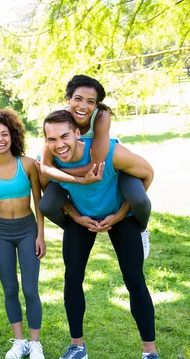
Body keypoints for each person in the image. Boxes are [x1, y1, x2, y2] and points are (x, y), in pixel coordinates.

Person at [41, 110, 161, 359]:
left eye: (64, 136)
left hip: (122, 216)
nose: (59, 144)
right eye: (51, 139)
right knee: (72, 278)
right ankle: (77, 345)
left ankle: (150, 353)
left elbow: (146, 174)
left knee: (134, 280)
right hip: (82, 217)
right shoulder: (49, 163)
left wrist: (120, 214)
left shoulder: (110, 152)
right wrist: (75, 216)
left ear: (78, 133)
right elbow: (49, 194)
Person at [38, 75, 152, 258]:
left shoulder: (101, 116)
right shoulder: (58, 121)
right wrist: (77, 181)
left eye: (90, 101)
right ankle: (76, 228)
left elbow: (95, 166)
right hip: (76, 160)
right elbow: (44, 167)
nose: (83, 106)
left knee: (139, 199)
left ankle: (142, 230)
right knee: (48, 204)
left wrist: (59, 172)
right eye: (78, 99)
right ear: (68, 100)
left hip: (110, 162)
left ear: (97, 105)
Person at [0, 109, 46, 359]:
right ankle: (19, 342)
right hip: (1, 232)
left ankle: (35, 343)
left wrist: (41, 235)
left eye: (4, 134)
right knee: (9, 289)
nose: (0, 139)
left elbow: (39, 202)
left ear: (13, 135)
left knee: (30, 289)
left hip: (28, 230)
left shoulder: (27, 164)